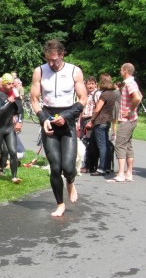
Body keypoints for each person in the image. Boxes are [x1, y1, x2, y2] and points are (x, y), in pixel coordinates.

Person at [30, 39, 87, 217]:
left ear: (62, 54)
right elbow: (34, 99)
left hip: (67, 118)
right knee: (55, 167)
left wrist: (67, 116)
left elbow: (83, 99)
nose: (52, 63)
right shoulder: (39, 71)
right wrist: (43, 118)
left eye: (55, 59)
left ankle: (70, 181)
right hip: (49, 118)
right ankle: (60, 203)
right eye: (48, 60)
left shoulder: (74, 71)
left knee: (68, 168)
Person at [0, 74, 23, 184]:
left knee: (13, 152)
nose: (11, 86)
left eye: (12, 84)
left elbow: (20, 110)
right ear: (3, 85)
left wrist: (19, 121)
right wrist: (9, 102)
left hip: (9, 128)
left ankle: (14, 176)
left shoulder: (14, 94)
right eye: (9, 84)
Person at [109, 63, 142, 183]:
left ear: (126, 71)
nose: (120, 71)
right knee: (128, 144)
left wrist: (130, 110)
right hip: (132, 119)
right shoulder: (133, 83)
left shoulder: (129, 83)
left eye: (121, 69)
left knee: (120, 144)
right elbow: (140, 96)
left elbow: (137, 98)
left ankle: (121, 173)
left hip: (127, 119)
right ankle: (129, 173)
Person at [86, 74, 115, 176]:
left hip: (100, 121)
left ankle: (101, 168)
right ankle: (107, 167)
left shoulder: (104, 95)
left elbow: (98, 109)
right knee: (106, 145)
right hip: (107, 121)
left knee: (101, 146)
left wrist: (92, 120)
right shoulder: (112, 94)